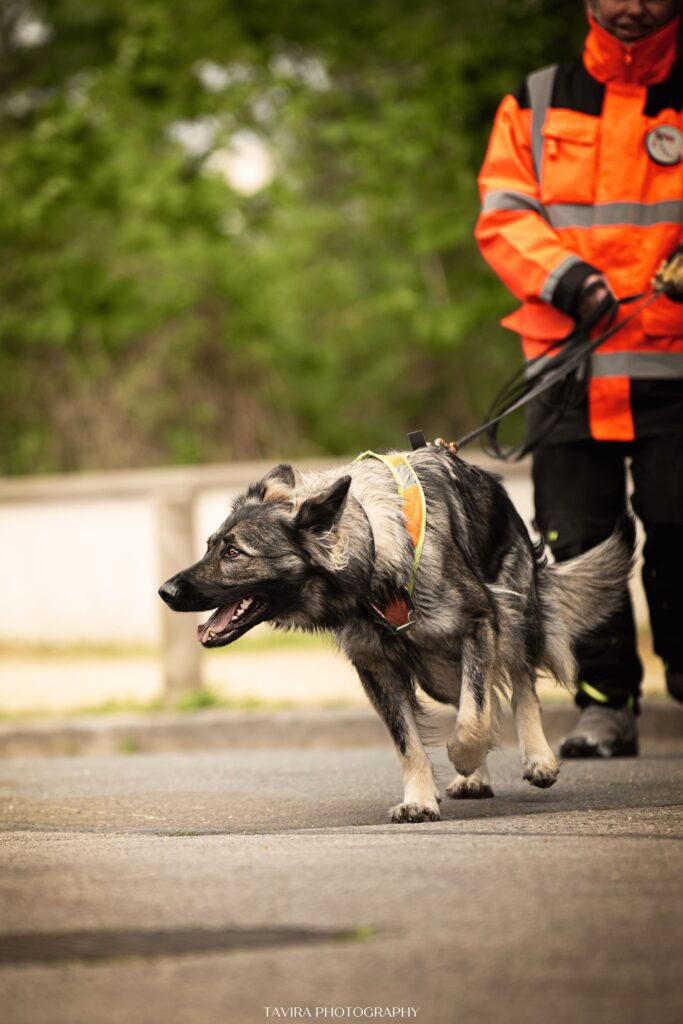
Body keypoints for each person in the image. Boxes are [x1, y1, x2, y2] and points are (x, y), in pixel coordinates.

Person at [475, 0, 683, 757]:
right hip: (566, 368)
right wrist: (566, 280)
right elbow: (502, 212)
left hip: (674, 367)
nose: (631, 7)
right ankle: (603, 706)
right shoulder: (533, 99)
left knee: (680, 528)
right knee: (576, 543)